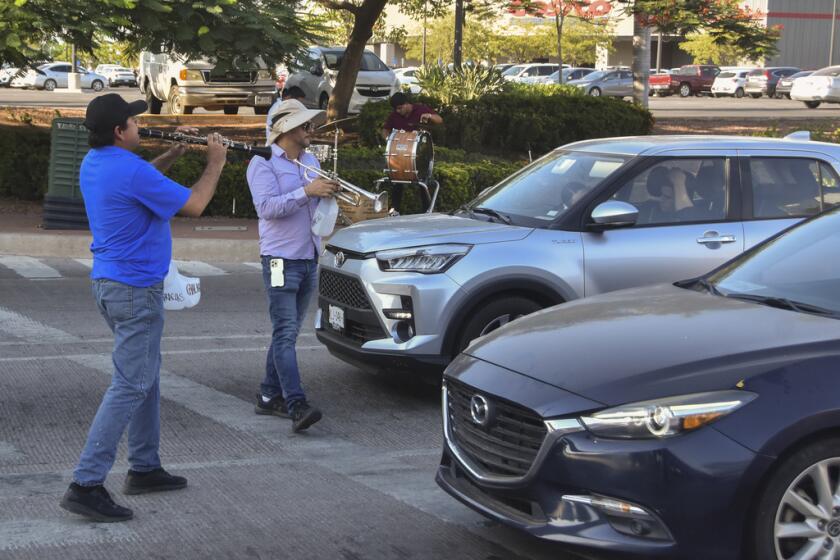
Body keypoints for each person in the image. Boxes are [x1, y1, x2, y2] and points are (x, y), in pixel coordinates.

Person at [60, 93, 227, 523]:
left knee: (144, 376)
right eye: (134, 122)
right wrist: (216, 162)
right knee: (131, 384)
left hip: (110, 285)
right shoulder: (128, 170)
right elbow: (194, 205)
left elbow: (143, 182)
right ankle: (86, 483)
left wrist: (172, 152)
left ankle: (145, 467)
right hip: (135, 291)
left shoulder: (97, 162)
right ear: (120, 132)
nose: (140, 125)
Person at [247, 99, 339, 433]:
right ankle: (296, 403)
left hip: (308, 257)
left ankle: (269, 395)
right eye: (305, 126)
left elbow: (314, 204)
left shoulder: (310, 160)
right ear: (286, 129)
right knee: (285, 332)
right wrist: (306, 191)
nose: (311, 130)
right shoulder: (263, 164)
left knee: (286, 332)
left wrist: (327, 193)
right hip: (279, 260)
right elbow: (267, 208)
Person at [381, 92, 443, 214]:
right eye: (396, 109)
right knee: (397, 177)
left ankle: (427, 211)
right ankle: (395, 210)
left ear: (407, 104)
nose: (398, 111)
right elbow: (385, 129)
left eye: (400, 108)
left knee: (422, 180)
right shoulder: (394, 115)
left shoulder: (420, 109)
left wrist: (429, 116)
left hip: (421, 152)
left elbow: (439, 120)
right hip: (401, 152)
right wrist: (388, 140)